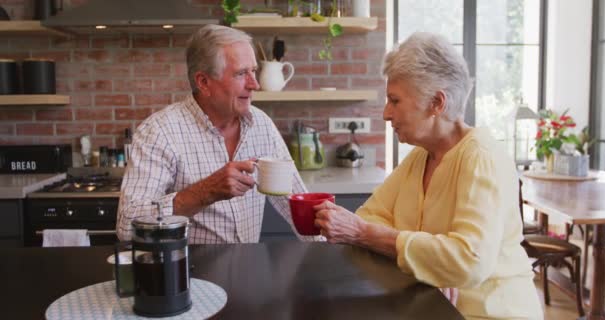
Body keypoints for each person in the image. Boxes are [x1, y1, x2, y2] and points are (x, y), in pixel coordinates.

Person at [313, 32, 543, 319]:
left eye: (395, 100)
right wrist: (432, 265)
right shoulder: (421, 157)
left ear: (436, 103)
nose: (386, 113)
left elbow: (468, 260)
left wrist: (368, 235)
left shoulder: (481, 157)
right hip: (434, 309)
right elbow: (370, 216)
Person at [117, 24, 319, 243]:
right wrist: (205, 192)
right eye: (241, 73)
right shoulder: (159, 132)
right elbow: (127, 226)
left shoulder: (262, 124)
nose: (255, 84)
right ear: (204, 82)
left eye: (253, 71)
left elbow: (296, 201)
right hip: (189, 273)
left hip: (245, 272)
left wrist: (335, 245)